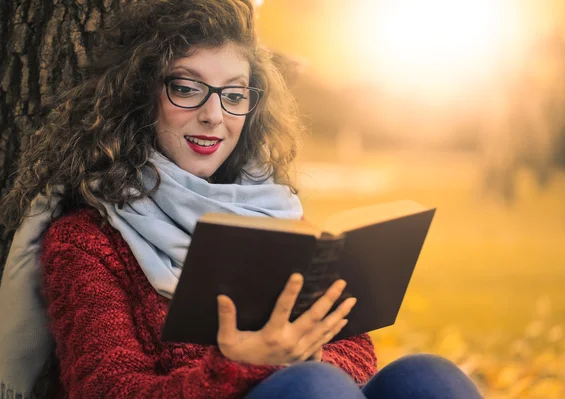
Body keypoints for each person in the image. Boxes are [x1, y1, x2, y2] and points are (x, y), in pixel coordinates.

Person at [0, 1, 484, 398]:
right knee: (314, 388)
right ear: (139, 96)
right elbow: (109, 390)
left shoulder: (271, 213)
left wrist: (307, 349)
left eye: (234, 94)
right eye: (187, 89)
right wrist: (238, 365)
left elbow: (353, 349)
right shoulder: (87, 241)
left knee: (427, 376)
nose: (214, 115)